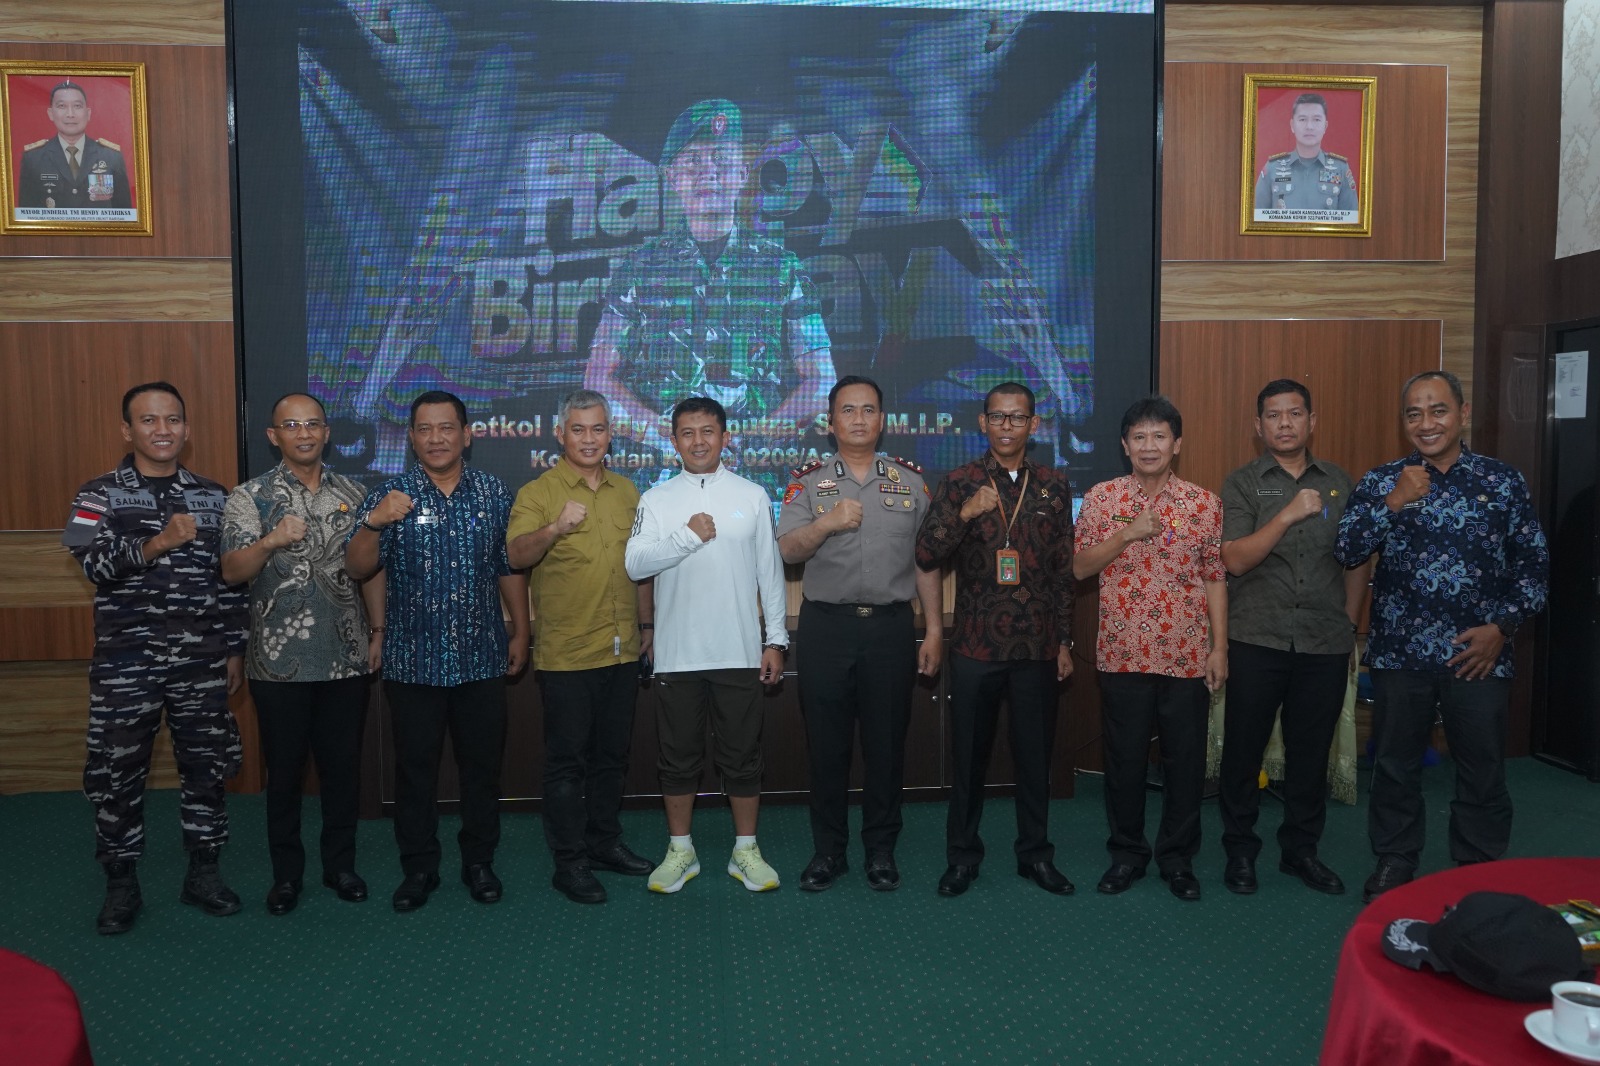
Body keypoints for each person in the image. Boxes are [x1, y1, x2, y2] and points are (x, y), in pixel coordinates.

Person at [1335, 370, 1548, 904]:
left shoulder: (1503, 481)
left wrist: (1502, 628)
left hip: (1479, 654)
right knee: (1394, 765)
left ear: (1463, 413)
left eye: (1438, 410)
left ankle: (1475, 868)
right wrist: (1394, 502)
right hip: (1401, 651)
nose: (1426, 423)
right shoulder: (1384, 480)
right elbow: (1347, 550)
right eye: (1414, 413)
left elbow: (1534, 567)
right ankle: (1395, 858)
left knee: (1482, 768)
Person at [62, 382, 247, 935]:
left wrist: (235, 647)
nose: (162, 430)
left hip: (202, 659)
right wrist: (155, 544)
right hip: (127, 662)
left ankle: (204, 874)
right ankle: (121, 884)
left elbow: (230, 580)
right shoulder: (94, 494)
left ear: (187, 429)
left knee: (207, 767)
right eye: (148, 420)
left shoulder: (215, 496)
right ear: (128, 430)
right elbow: (85, 560)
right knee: (116, 771)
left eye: (172, 420)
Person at [346, 390, 530, 912]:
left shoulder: (494, 492)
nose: (436, 438)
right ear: (411, 438)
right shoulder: (389, 495)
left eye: (446, 427)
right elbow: (357, 567)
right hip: (413, 660)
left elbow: (508, 566)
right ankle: (419, 867)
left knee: (481, 769)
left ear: (466, 435)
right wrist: (375, 521)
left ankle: (479, 862)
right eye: (424, 429)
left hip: (481, 656)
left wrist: (521, 630)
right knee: (415, 772)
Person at [584, 98, 834, 466]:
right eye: (693, 161)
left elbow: (822, 382)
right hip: (662, 474)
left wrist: (753, 437)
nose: (708, 173)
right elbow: (598, 380)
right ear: (671, 176)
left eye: (721, 159)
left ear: (743, 172)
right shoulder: (639, 270)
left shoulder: (782, 270)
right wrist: (663, 435)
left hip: (753, 474)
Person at [777, 375, 944, 893]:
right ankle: (828, 852)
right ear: (830, 422)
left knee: (886, 746)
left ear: (882, 420)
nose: (858, 419)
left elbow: (926, 562)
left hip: (890, 630)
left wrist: (934, 630)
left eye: (868, 409)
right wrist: (826, 523)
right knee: (826, 748)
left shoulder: (910, 482)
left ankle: (880, 850)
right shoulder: (807, 483)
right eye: (847, 410)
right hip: (826, 628)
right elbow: (788, 551)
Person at [221, 393, 382, 916]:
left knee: (342, 772)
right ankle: (287, 877)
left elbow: (370, 570)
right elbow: (232, 571)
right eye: (291, 425)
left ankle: (340, 867)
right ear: (274, 436)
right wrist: (270, 541)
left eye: (313, 424)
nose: (304, 433)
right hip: (277, 663)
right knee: (285, 776)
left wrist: (378, 630)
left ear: (327, 432)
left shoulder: (356, 493)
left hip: (346, 656)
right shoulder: (250, 497)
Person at [914, 381, 1075, 898]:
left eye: (1018, 417)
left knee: (1035, 759)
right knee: (969, 760)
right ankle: (962, 858)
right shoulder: (959, 482)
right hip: (976, 645)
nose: (1008, 426)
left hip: (1038, 647)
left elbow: (1063, 571)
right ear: (983, 423)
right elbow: (925, 553)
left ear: (1034, 424)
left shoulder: (1054, 485)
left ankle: (1036, 856)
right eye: (998, 417)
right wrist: (964, 514)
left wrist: (1065, 641)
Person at [624, 396, 789, 894]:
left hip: (739, 650)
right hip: (678, 654)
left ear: (725, 437)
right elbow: (635, 564)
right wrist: (687, 538)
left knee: (743, 756)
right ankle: (681, 850)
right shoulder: (656, 499)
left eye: (708, 431)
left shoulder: (752, 495)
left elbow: (770, 574)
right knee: (677, 757)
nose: (699, 441)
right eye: (688, 433)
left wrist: (776, 639)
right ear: (674, 440)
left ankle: (746, 850)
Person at [1216, 380, 1369, 898]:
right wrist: (1287, 514)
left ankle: (1301, 851)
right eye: (1274, 415)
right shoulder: (1242, 483)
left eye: (1295, 413)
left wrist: (1349, 624)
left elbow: (1356, 559)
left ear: (1312, 421)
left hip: (1323, 642)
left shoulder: (1340, 483)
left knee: (1311, 755)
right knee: (1243, 753)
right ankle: (1240, 850)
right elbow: (1234, 559)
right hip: (1256, 637)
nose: (1285, 423)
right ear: (1258, 426)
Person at [507, 389, 657, 904]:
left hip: (622, 648)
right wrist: (554, 528)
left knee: (612, 758)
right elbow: (516, 555)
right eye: (578, 429)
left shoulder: (628, 491)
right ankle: (569, 861)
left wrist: (647, 625)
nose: (589, 439)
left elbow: (640, 566)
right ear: (559, 434)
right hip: (568, 654)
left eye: (598, 429)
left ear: (610, 434)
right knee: (567, 763)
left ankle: (604, 844)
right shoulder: (538, 492)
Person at [1073, 396, 1226, 902]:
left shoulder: (1204, 504)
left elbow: (1215, 578)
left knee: (1185, 763)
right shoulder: (1102, 499)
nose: (1149, 445)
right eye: (1139, 437)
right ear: (1125, 445)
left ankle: (1177, 859)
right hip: (1123, 654)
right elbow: (1079, 568)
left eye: (1159, 436)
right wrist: (1128, 533)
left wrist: (1220, 648)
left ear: (1176, 444)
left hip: (1186, 654)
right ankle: (1127, 854)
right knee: (1125, 761)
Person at [18, 80, 132, 210]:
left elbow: (124, 214)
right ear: (51, 113)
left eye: (77, 106)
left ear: (88, 113)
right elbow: (26, 215)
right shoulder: (33, 159)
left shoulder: (112, 157)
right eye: (62, 106)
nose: (70, 114)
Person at [1253, 93, 1356, 214]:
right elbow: (1255, 217)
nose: (1309, 126)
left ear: (1325, 126)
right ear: (1292, 125)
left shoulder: (1340, 169)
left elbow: (1352, 219)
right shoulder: (1272, 169)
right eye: (1302, 119)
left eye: (1316, 120)